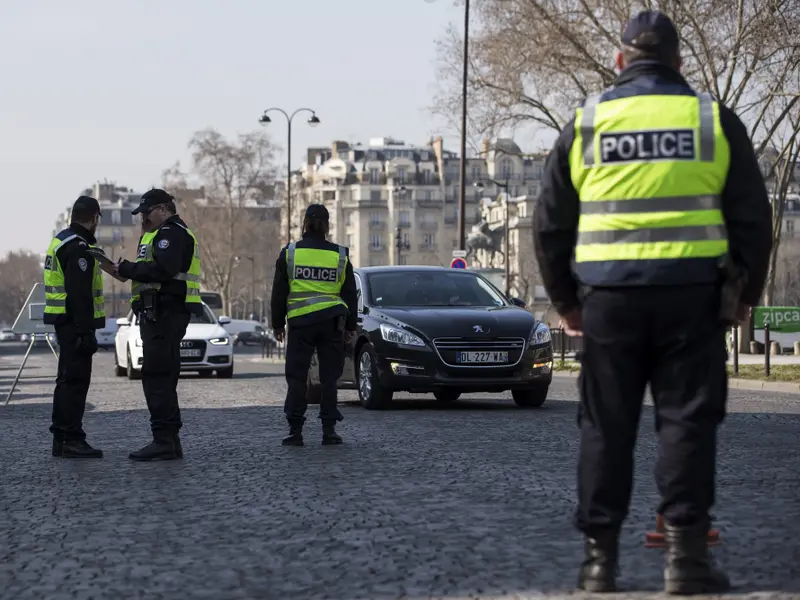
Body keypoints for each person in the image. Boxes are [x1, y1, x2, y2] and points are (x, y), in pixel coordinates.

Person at [533, 10, 772, 595]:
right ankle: (686, 562)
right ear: (679, 63)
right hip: (692, 298)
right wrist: (746, 299)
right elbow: (753, 221)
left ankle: (598, 564)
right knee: (686, 423)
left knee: (605, 427)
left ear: (619, 61)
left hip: (608, 299)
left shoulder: (586, 125)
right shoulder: (713, 122)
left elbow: (549, 224)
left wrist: (566, 302)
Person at [114, 189, 203, 461]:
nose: (143, 217)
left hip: (166, 312)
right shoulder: (158, 233)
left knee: (157, 376)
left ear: (164, 209)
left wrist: (128, 269)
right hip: (158, 312)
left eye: (147, 212)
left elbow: (163, 270)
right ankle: (168, 439)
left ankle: (164, 440)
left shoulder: (172, 233)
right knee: (161, 375)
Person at [270, 204, 358, 446]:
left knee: (297, 378)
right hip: (332, 323)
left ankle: (295, 430)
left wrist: (277, 324)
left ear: (304, 223)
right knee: (330, 378)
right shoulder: (340, 255)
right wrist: (351, 327)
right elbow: (350, 294)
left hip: (301, 324)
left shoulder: (290, 253)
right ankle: (329, 430)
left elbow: (279, 292)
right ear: (327, 226)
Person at [43, 196, 106, 458]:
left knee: (66, 380)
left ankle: (62, 437)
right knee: (76, 382)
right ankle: (71, 438)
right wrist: (85, 331)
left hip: (64, 322)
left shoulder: (61, 240)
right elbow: (79, 293)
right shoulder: (79, 248)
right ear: (94, 218)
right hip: (74, 324)